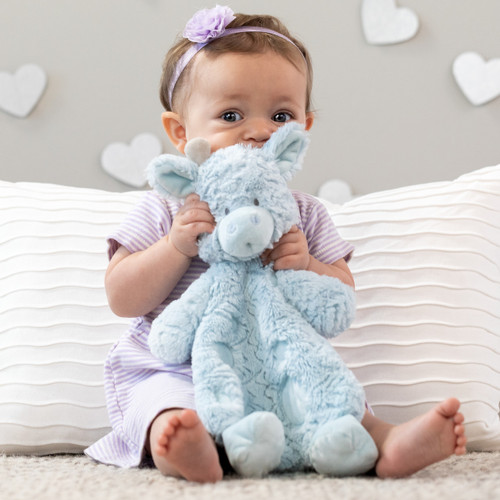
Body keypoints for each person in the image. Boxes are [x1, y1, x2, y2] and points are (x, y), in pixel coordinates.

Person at [85, 5, 466, 483]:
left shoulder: (303, 214)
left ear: (302, 129)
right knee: (165, 404)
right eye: (231, 114)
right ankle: (187, 446)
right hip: (180, 365)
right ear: (181, 133)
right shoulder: (167, 208)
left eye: (280, 114)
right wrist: (175, 247)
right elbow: (122, 297)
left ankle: (385, 440)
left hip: (275, 360)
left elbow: (341, 291)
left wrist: (306, 262)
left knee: (329, 388)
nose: (260, 129)